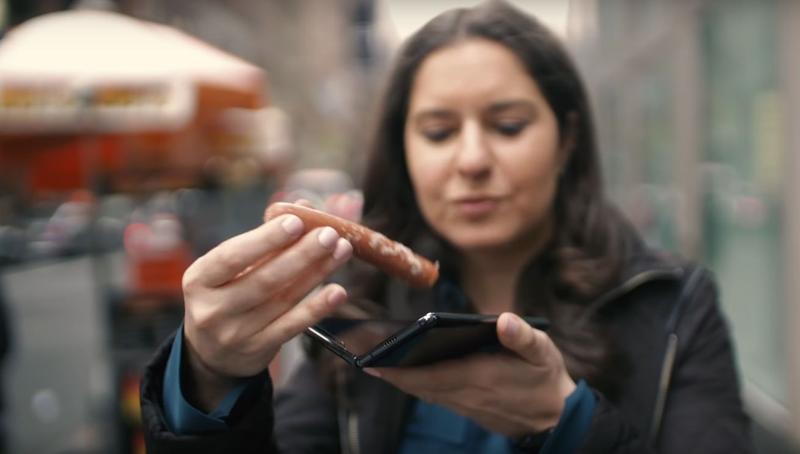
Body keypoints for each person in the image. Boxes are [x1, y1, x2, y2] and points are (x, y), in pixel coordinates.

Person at [140, 2, 754, 453]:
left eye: (508, 125)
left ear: (566, 139)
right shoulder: (358, 311)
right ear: (403, 152)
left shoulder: (673, 306)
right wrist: (209, 379)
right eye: (438, 132)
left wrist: (568, 423)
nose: (472, 160)